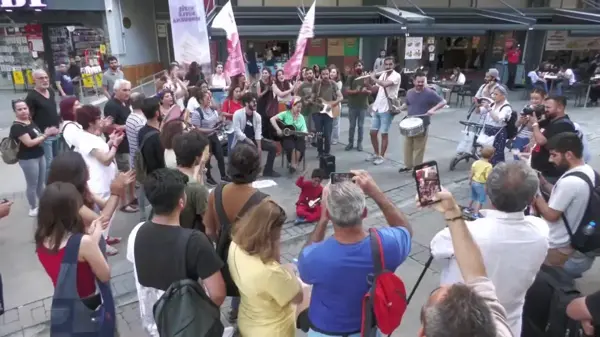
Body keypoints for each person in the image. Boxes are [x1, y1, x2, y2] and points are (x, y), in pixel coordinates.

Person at [431, 161, 548, 337]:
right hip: (510, 321)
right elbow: (478, 278)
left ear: (486, 192)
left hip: (458, 325)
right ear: (532, 200)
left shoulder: (463, 234)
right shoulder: (541, 230)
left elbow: (436, 248)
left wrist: (455, 218)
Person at [298, 170, 412, 336]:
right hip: (367, 328)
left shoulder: (315, 256)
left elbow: (304, 264)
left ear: (329, 214)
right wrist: (374, 191)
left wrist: (322, 220)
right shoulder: (388, 244)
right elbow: (405, 231)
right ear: (364, 213)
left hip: (325, 329)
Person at [126, 169, 226, 336]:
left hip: (155, 323)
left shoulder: (136, 232)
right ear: (182, 202)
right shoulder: (196, 242)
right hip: (186, 327)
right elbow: (217, 294)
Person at [421, 190, 513, 337]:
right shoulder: (498, 332)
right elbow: (476, 275)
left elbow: (476, 276)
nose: (445, 284)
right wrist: (452, 212)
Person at [36, 182, 116, 334]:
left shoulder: (41, 239)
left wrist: (92, 236)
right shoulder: (82, 243)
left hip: (64, 305)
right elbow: (105, 275)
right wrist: (96, 236)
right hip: (89, 305)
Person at [204, 143, 266, 321]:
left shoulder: (215, 193)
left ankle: (234, 311)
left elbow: (209, 230)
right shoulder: (263, 202)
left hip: (226, 256)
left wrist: (223, 242)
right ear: (256, 168)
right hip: (252, 260)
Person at [229, 199, 304, 337]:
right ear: (271, 233)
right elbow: (298, 297)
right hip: (274, 330)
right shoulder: (271, 272)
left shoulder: (235, 245)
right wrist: (289, 272)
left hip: (247, 319)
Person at [532, 132, 597, 277]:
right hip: (576, 242)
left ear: (568, 154)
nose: (550, 159)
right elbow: (563, 197)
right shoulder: (587, 171)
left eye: (554, 155)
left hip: (559, 247)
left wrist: (534, 192)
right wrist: (543, 183)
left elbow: (550, 214)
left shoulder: (570, 182)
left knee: (550, 280)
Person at [10, 99, 59, 216]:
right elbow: (29, 143)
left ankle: (44, 204)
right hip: (28, 159)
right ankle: (33, 207)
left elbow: (38, 136)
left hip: (39, 154)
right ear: (15, 111)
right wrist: (46, 134)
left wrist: (44, 135)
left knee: (40, 183)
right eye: (19, 109)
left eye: (25, 108)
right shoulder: (17, 127)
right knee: (32, 184)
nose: (23, 111)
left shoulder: (29, 121)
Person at [398, 72, 446, 172]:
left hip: (422, 123)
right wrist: (399, 108)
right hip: (409, 122)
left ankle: (417, 168)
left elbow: (443, 101)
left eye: (423, 81)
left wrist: (433, 109)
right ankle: (408, 166)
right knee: (408, 145)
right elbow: (407, 103)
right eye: (418, 81)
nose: (420, 83)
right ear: (414, 81)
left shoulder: (429, 93)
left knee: (419, 148)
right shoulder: (410, 92)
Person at [104, 79, 137, 213]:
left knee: (132, 172)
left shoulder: (126, 103)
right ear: (115, 91)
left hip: (129, 143)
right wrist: (128, 125)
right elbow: (108, 127)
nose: (127, 93)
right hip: (120, 145)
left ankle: (132, 197)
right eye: (124, 90)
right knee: (124, 174)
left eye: (129, 89)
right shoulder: (111, 105)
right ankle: (123, 204)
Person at [529, 95, 577, 183]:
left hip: (552, 173)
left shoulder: (563, 125)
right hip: (543, 171)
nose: (545, 110)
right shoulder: (551, 119)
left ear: (560, 108)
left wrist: (535, 124)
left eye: (548, 107)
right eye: (544, 107)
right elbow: (531, 128)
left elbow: (541, 141)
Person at [232, 92, 280, 177]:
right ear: (246, 103)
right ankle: (246, 172)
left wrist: (259, 147)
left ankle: (268, 170)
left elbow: (258, 132)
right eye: (253, 102)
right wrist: (248, 140)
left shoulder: (257, 116)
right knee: (244, 150)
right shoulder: (237, 114)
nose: (255, 104)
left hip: (254, 139)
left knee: (273, 147)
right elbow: (237, 131)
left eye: (256, 102)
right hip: (242, 140)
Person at [172, 130, 210, 231]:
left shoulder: (168, 175)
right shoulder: (197, 189)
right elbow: (207, 222)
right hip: (190, 237)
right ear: (197, 158)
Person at [26, 69, 61, 174]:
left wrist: (59, 124)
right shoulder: (32, 97)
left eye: (46, 77)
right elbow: (28, 118)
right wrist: (39, 135)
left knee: (57, 162)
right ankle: (48, 187)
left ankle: (56, 184)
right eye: (41, 78)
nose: (45, 80)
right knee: (48, 164)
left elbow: (53, 109)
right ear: (34, 80)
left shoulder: (50, 91)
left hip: (56, 133)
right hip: (44, 136)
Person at [368, 57, 401, 165]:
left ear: (394, 65)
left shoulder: (396, 76)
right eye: (386, 64)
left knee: (384, 133)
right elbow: (376, 88)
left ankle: (381, 156)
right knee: (372, 133)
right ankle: (376, 153)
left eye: (390, 64)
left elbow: (385, 84)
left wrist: (374, 78)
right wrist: (367, 82)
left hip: (387, 108)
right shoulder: (383, 74)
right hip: (377, 107)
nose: (387, 67)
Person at [191, 91, 229, 185]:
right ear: (200, 100)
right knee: (207, 159)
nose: (209, 100)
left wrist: (220, 122)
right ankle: (208, 177)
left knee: (220, 156)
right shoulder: (197, 113)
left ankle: (223, 176)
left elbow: (217, 119)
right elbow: (197, 128)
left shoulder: (211, 109)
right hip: (204, 139)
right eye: (207, 98)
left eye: (209, 98)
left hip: (214, 136)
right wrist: (211, 130)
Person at [311, 68, 343, 157]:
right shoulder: (317, 84)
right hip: (317, 111)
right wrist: (309, 100)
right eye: (323, 74)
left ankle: (327, 152)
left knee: (328, 134)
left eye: (327, 74)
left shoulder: (333, 84)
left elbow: (340, 97)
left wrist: (332, 105)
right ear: (320, 74)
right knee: (319, 133)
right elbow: (313, 96)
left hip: (329, 112)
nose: (325, 76)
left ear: (329, 74)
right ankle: (320, 152)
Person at [270, 96, 307, 173]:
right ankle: (293, 164)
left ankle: (295, 164)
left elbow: (304, 130)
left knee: (300, 146)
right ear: (292, 106)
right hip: (287, 137)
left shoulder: (301, 117)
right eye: (297, 107)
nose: (299, 109)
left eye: (300, 108)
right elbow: (272, 119)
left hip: (298, 136)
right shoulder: (285, 114)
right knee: (291, 146)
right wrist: (278, 129)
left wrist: (305, 133)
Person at [477, 85, 512, 165]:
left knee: (496, 155)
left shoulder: (506, 107)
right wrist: (477, 104)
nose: (493, 96)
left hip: (498, 133)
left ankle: (496, 172)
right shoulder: (492, 104)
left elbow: (498, 119)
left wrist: (489, 108)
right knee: (486, 154)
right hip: (488, 131)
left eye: (496, 94)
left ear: (503, 95)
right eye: (493, 94)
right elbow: (479, 111)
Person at [344, 60, 371, 152]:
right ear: (354, 68)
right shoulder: (351, 78)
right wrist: (356, 91)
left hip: (362, 105)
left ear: (363, 66)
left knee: (360, 126)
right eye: (356, 66)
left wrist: (366, 91)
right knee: (352, 126)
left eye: (360, 65)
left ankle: (359, 143)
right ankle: (350, 143)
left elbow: (371, 91)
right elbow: (347, 91)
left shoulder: (366, 78)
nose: (358, 67)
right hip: (352, 105)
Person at [512, 89, 546, 159]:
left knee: (527, 160)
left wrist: (531, 121)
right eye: (532, 98)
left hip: (531, 139)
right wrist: (520, 121)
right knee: (516, 158)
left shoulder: (544, 111)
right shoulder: (526, 108)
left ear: (543, 98)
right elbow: (516, 125)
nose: (534, 101)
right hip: (520, 137)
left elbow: (536, 128)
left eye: (536, 99)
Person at [139, 97, 167, 174]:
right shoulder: (157, 137)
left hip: (149, 175)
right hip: (161, 177)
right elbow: (163, 161)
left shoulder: (141, 132)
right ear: (157, 113)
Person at [467, 146, 494, 217]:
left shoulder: (476, 162)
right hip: (481, 184)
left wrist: (470, 180)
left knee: (473, 196)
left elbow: (471, 172)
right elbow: (487, 177)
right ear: (491, 156)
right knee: (480, 199)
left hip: (473, 182)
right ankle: (476, 214)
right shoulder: (489, 166)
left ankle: (468, 208)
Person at [257, 68, 279, 140]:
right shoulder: (259, 83)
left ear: (269, 74)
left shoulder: (271, 83)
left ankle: (270, 138)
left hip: (270, 104)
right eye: (263, 73)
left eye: (266, 73)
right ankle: (263, 137)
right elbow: (259, 95)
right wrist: (266, 90)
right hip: (262, 104)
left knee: (270, 120)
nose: (264, 74)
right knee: (263, 121)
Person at [221, 86, 243, 156]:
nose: (238, 93)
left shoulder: (242, 102)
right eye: (236, 91)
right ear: (232, 92)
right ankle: (231, 163)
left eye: (239, 91)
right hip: (231, 127)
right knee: (231, 146)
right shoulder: (227, 102)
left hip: (241, 126)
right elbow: (223, 113)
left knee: (241, 146)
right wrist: (233, 115)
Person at [295, 68, 316, 134]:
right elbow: (299, 98)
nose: (309, 75)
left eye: (310, 73)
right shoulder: (302, 86)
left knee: (314, 128)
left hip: (315, 110)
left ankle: (314, 141)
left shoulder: (317, 84)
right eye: (307, 74)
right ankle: (306, 142)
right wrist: (305, 100)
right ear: (305, 75)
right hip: (305, 110)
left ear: (313, 74)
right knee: (305, 127)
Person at [329, 67, 343, 145]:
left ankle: (335, 138)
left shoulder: (338, 82)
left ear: (337, 74)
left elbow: (336, 93)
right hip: (328, 105)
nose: (332, 73)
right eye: (330, 72)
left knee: (335, 123)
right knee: (329, 123)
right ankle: (329, 137)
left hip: (336, 104)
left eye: (334, 72)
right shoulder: (326, 82)